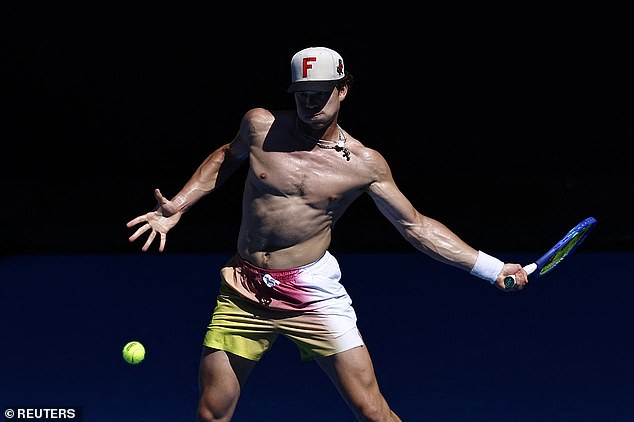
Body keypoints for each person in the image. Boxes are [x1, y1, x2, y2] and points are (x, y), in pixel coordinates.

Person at [126, 46, 529, 422]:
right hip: (242, 287)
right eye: (302, 93)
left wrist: (491, 269)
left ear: (343, 90)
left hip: (311, 291)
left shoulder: (364, 164)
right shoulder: (260, 125)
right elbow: (225, 158)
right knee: (211, 413)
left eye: (320, 92)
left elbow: (415, 225)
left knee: (372, 410)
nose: (310, 101)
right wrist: (178, 205)